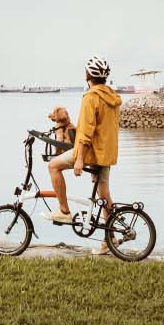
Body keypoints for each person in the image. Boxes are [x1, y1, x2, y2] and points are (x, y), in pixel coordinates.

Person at [46, 55, 121, 244]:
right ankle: (109, 240)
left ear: (88, 74)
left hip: (90, 153)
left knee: (53, 166)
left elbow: (87, 131)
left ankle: (64, 211)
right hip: (106, 153)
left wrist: (79, 159)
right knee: (104, 196)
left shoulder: (91, 98)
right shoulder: (112, 97)